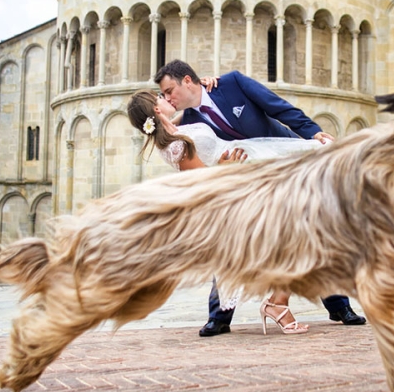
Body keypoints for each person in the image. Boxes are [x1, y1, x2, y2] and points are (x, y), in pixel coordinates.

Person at [155, 59, 367, 336]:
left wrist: (313, 133)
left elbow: (278, 107)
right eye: (164, 94)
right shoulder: (188, 123)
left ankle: (338, 306)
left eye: (169, 90)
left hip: (284, 160)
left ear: (186, 80)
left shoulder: (232, 83)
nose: (168, 97)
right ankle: (219, 316)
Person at [127, 89, 312, 335]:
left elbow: (195, 106)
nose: (166, 97)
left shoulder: (176, 129)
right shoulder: (174, 144)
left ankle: (278, 302)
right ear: (156, 109)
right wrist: (225, 167)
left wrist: (201, 86)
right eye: (160, 96)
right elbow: (203, 181)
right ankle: (277, 303)